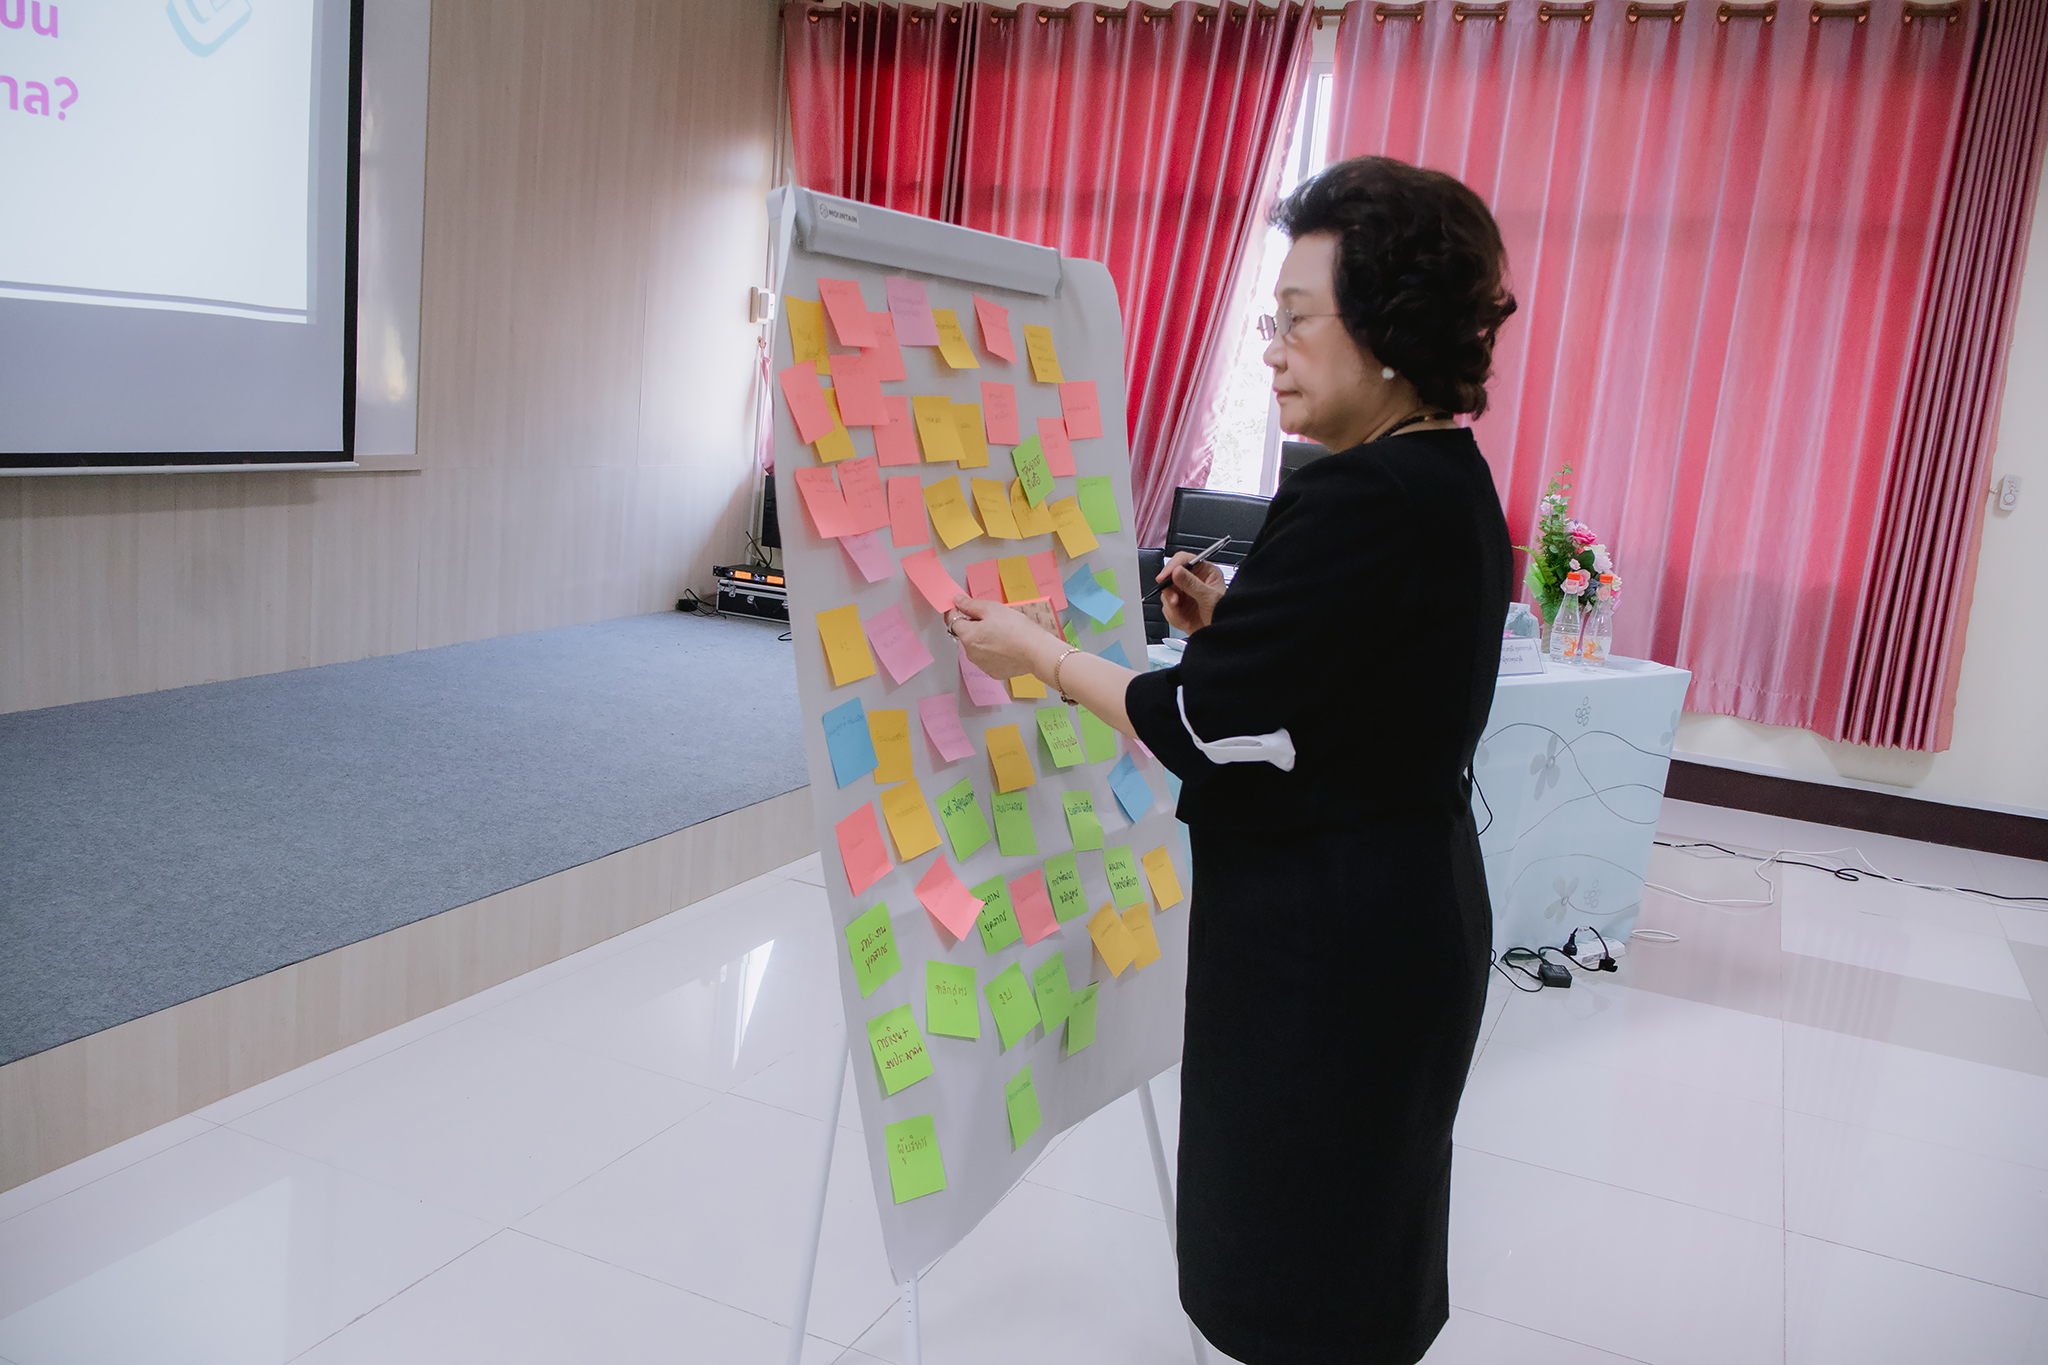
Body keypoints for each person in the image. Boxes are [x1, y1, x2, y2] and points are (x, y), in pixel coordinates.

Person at [948, 154, 1515, 1365]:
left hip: (1328, 947)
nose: (1271, 350)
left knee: (1294, 1259)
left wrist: (1039, 654)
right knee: (1358, 1240)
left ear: (1387, 332)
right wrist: (1236, 633)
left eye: (1296, 319)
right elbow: (1348, 693)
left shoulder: (1358, 496)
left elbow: (1195, 722)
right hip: (1403, 903)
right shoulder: (1444, 477)